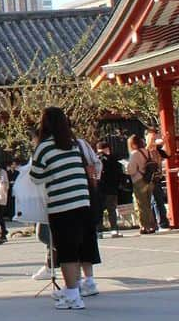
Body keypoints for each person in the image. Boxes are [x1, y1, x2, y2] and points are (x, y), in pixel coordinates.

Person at [30, 108, 101, 309]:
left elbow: (36, 176)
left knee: (66, 251)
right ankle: (74, 289)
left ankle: (72, 296)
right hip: (83, 201)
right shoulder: (74, 145)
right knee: (78, 247)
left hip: (62, 204)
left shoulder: (44, 147)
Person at [126, 134, 157, 234]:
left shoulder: (134, 153)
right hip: (149, 180)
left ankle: (144, 226)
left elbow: (131, 170)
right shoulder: (147, 151)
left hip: (139, 180)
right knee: (148, 203)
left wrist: (125, 167)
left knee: (140, 204)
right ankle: (152, 225)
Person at [96, 141, 123, 236]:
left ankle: (99, 231)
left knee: (99, 210)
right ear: (107, 148)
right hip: (111, 188)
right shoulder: (113, 159)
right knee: (111, 210)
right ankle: (114, 229)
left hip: (99, 188)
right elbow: (119, 173)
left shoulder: (95, 159)